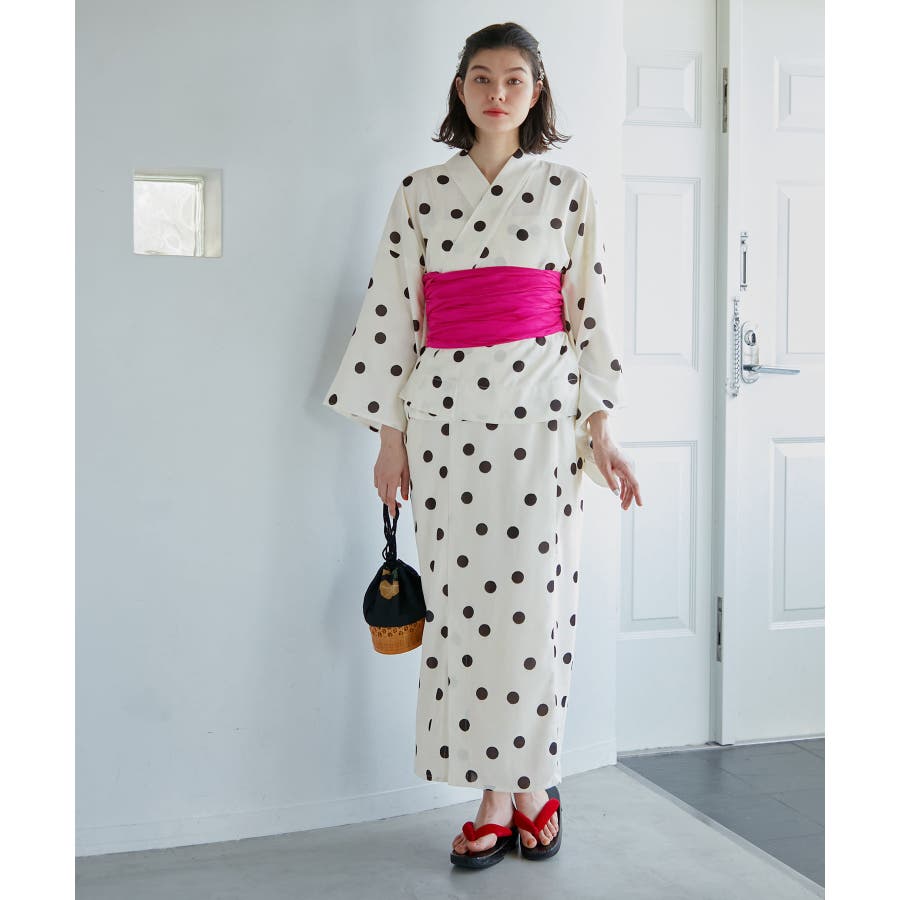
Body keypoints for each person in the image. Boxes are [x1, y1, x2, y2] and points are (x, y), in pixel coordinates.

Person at [322, 21, 642, 867]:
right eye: (481, 77)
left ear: (537, 93)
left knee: (537, 608)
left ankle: (533, 785)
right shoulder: (420, 192)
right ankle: (493, 795)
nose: (497, 93)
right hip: (445, 428)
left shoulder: (569, 189)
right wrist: (388, 439)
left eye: (514, 79)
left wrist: (602, 429)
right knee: (465, 612)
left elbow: (589, 313)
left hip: (542, 423)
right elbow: (392, 316)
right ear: (460, 89)